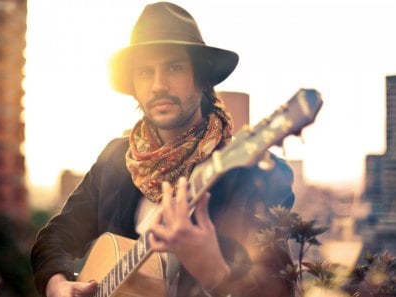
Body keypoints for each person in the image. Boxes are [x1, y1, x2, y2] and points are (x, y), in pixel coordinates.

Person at [30, 2, 295, 297]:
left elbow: (279, 288)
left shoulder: (254, 176)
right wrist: (57, 284)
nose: (158, 84)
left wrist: (215, 272)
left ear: (203, 77)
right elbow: (56, 236)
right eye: (145, 72)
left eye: (174, 66)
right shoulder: (117, 159)